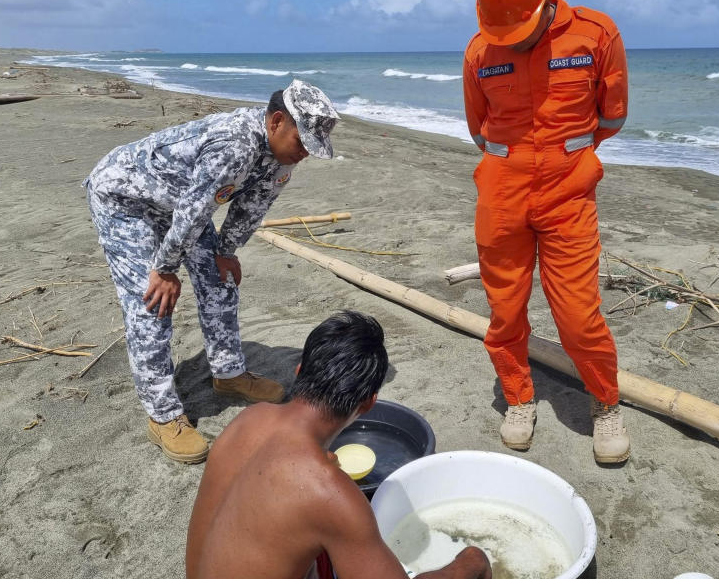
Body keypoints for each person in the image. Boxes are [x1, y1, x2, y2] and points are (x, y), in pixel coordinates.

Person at [84, 79, 340, 464]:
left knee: (220, 283)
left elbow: (250, 209)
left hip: (180, 205)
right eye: (302, 142)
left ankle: (228, 373)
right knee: (151, 303)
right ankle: (163, 414)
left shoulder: (281, 160)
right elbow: (194, 210)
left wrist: (226, 251)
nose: (304, 153)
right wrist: (165, 269)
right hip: (126, 198)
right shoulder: (232, 145)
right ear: (276, 122)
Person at [462, 0, 630, 461]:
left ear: (544, 0)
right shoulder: (478, 52)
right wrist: (518, 165)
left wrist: (561, 161)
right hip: (502, 194)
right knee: (504, 310)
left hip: (568, 194)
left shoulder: (597, 35)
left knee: (579, 315)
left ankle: (606, 402)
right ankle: (518, 398)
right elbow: (478, 129)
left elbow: (612, 116)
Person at [186, 310, 492, 579]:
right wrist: (469, 563)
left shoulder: (249, 419)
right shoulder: (329, 494)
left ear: (298, 370)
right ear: (369, 403)